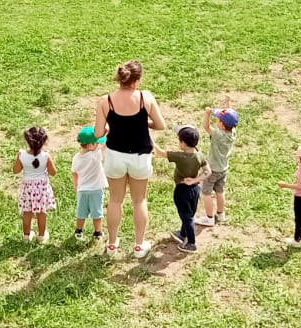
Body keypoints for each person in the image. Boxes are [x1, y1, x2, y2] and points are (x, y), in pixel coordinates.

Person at [94, 60, 169, 258]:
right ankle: (139, 245)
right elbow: (161, 125)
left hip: (115, 155)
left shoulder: (105, 101)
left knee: (115, 200)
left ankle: (112, 245)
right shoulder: (146, 97)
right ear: (137, 79)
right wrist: (144, 123)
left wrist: (111, 126)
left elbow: (98, 133)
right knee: (139, 200)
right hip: (140, 156)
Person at [157, 125, 206, 253]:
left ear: (183, 143)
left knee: (187, 217)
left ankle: (191, 243)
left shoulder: (179, 156)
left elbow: (160, 152)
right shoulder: (199, 155)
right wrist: (195, 180)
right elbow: (208, 172)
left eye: (179, 140)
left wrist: (150, 140)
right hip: (195, 189)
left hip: (182, 191)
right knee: (190, 214)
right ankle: (182, 234)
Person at [196, 106, 237, 227]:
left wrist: (208, 114)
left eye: (218, 120)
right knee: (220, 191)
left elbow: (206, 127)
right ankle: (221, 214)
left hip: (212, 170)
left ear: (222, 125)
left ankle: (209, 218)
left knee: (206, 193)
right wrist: (228, 103)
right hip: (223, 169)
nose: (217, 121)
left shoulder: (218, 135)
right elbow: (230, 119)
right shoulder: (233, 133)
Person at [14, 126, 56, 242]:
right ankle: (41, 236)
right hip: (41, 188)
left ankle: (26, 236)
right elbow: (53, 172)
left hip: (27, 187)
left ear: (28, 141)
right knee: (41, 212)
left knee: (27, 212)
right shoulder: (46, 156)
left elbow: (16, 170)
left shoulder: (21, 154)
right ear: (44, 141)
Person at [70, 126, 106, 241]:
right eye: (97, 143)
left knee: (81, 213)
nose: (98, 145)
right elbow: (107, 145)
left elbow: (74, 173)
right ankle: (98, 232)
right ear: (90, 145)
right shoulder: (96, 155)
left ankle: (79, 231)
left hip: (82, 190)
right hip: (96, 190)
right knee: (97, 213)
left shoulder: (76, 158)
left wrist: (76, 186)